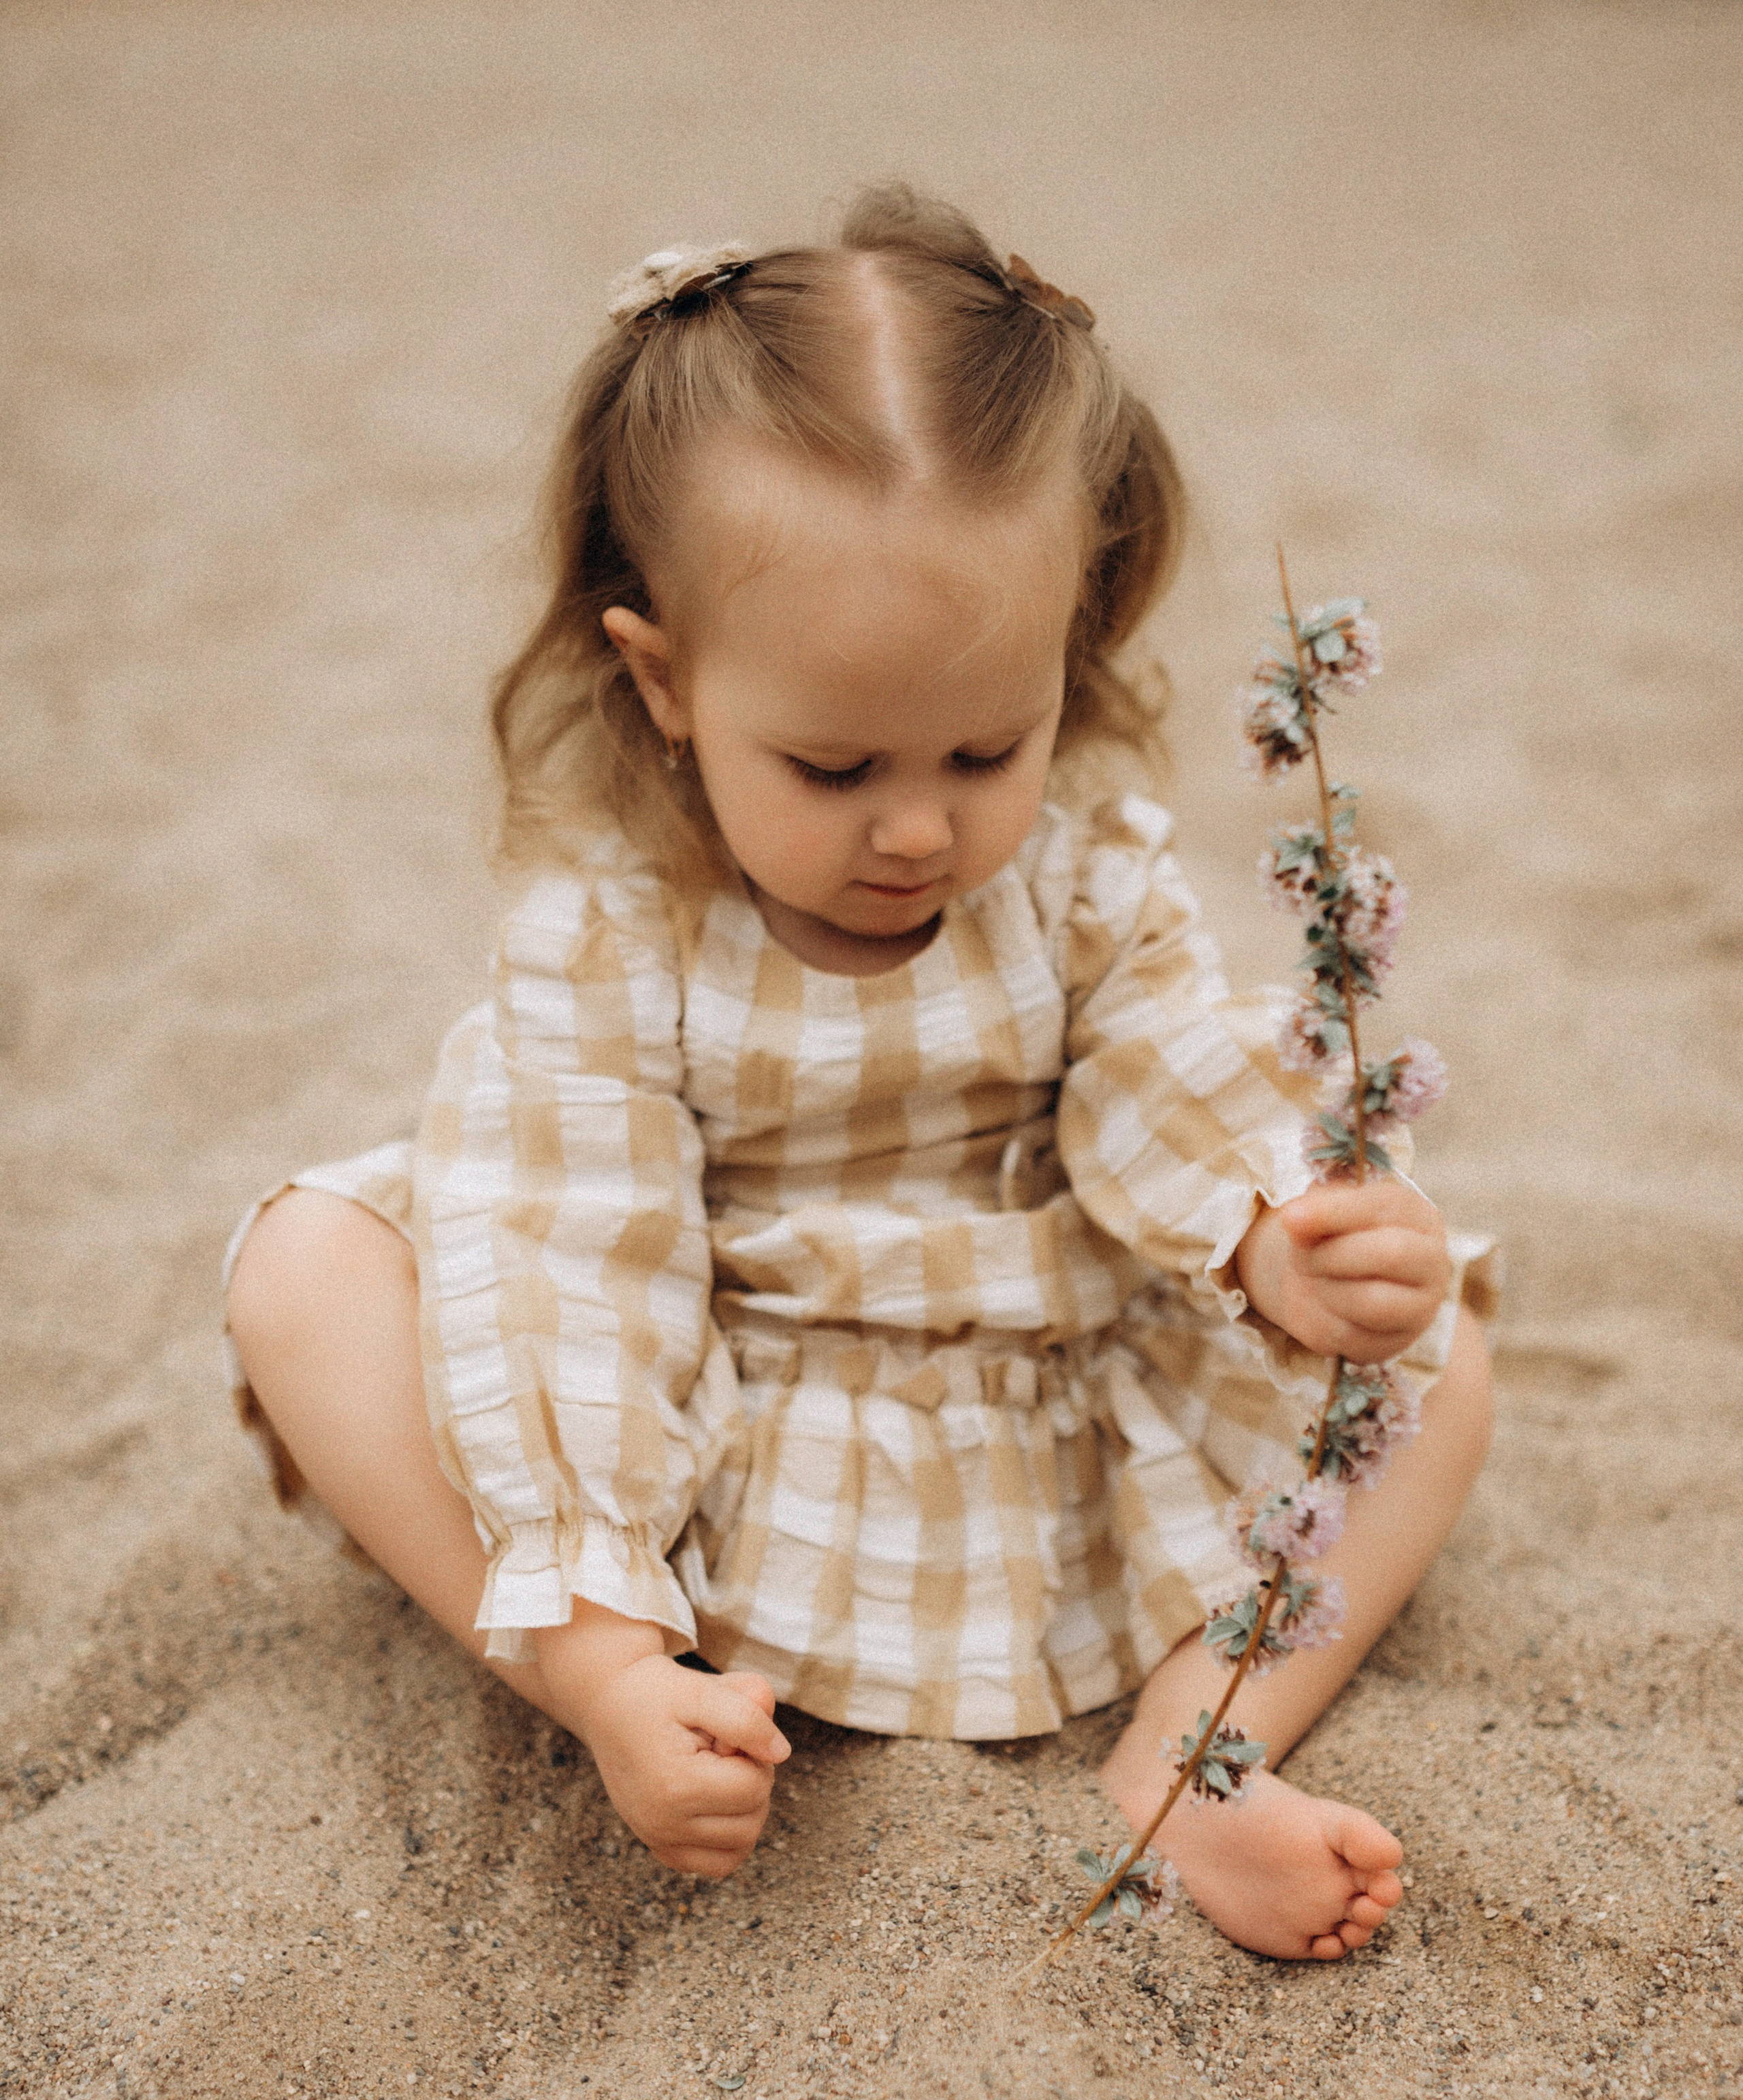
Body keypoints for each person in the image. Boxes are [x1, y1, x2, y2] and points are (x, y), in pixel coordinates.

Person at [226, 187, 1494, 1964]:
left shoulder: (1076, 872)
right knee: (306, 1261)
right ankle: (617, 1691)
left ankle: (1193, 1754)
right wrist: (603, 1629)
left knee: (1449, 1346)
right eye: (829, 763)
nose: (918, 825)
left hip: (1033, 1388)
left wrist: (1275, 1241)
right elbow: (573, 1252)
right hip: (713, 1424)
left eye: (991, 741)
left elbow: (1167, 1080)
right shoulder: (613, 934)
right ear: (664, 684)